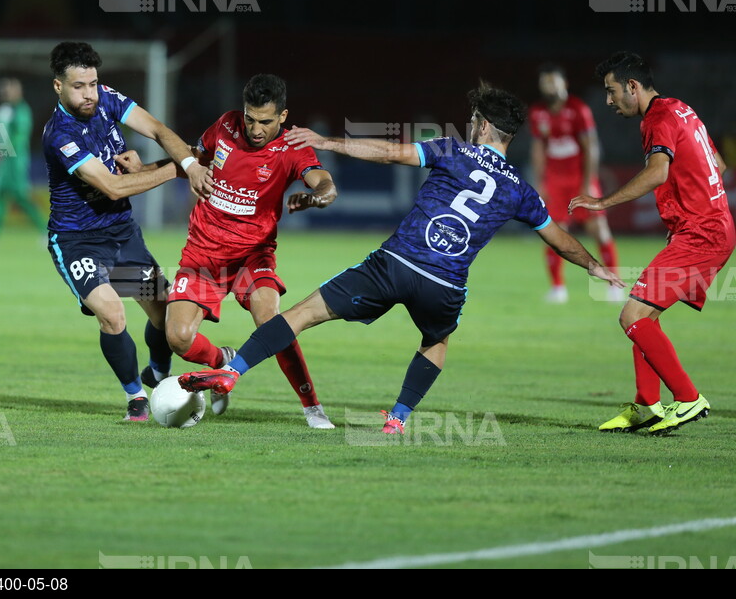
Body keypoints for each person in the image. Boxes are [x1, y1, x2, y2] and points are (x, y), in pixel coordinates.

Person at [178, 83, 624, 433]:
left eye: (473, 119)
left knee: (300, 315)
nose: (470, 124)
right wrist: (594, 266)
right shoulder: (520, 190)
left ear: (483, 127)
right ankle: (397, 419)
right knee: (437, 343)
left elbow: (390, 152)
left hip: (394, 264)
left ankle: (233, 371)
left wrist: (326, 141)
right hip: (445, 286)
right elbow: (558, 238)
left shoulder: (453, 150)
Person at [125, 74, 338, 429]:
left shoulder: (294, 148)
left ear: (283, 117)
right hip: (202, 255)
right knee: (177, 337)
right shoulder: (226, 125)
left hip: (251, 257)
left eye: (265, 122)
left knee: (272, 323)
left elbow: (325, 182)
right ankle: (223, 362)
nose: (255, 129)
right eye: (250, 118)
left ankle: (312, 407)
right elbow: (192, 162)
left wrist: (318, 197)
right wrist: (143, 170)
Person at [42, 41, 210, 422]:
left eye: (93, 83)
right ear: (58, 87)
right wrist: (181, 169)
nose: (89, 94)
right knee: (113, 314)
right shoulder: (59, 135)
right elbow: (113, 187)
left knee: (165, 316)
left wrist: (185, 159)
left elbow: (156, 128)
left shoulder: (107, 100)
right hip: (77, 241)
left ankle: (157, 374)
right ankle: (136, 396)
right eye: (79, 86)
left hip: (121, 233)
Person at [571, 51, 734, 435]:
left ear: (632, 86)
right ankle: (647, 405)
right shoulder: (682, 109)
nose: (608, 101)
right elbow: (718, 164)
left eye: (612, 92)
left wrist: (601, 202)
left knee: (630, 316)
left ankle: (689, 397)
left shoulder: (657, 118)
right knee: (646, 318)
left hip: (702, 233)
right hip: (707, 227)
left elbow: (657, 172)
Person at [529, 63, 621, 303]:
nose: (549, 86)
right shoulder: (538, 112)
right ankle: (558, 288)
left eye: (553, 81)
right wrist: (541, 182)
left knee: (599, 231)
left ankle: (614, 284)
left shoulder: (578, 109)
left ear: (564, 84)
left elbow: (591, 146)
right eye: (545, 82)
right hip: (554, 182)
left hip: (579, 180)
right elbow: (539, 148)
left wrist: (589, 182)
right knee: (553, 233)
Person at [0, 77, 48, 244]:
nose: (5, 93)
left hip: (15, 161)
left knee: (21, 197)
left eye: (9, 89)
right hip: (3, 163)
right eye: (3, 90)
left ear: (18, 91)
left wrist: (2, 151)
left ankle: (45, 231)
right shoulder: (3, 110)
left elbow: (20, 137)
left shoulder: (22, 110)